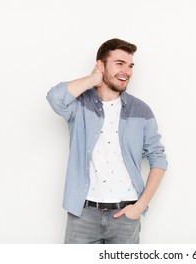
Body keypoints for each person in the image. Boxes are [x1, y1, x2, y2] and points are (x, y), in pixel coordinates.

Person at [46, 38, 167, 244]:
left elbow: (159, 160)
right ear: (101, 65)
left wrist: (139, 207)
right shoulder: (80, 106)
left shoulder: (141, 110)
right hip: (83, 214)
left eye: (130, 66)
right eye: (119, 64)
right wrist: (93, 80)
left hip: (125, 216)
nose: (127, 71)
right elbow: (55, 97)